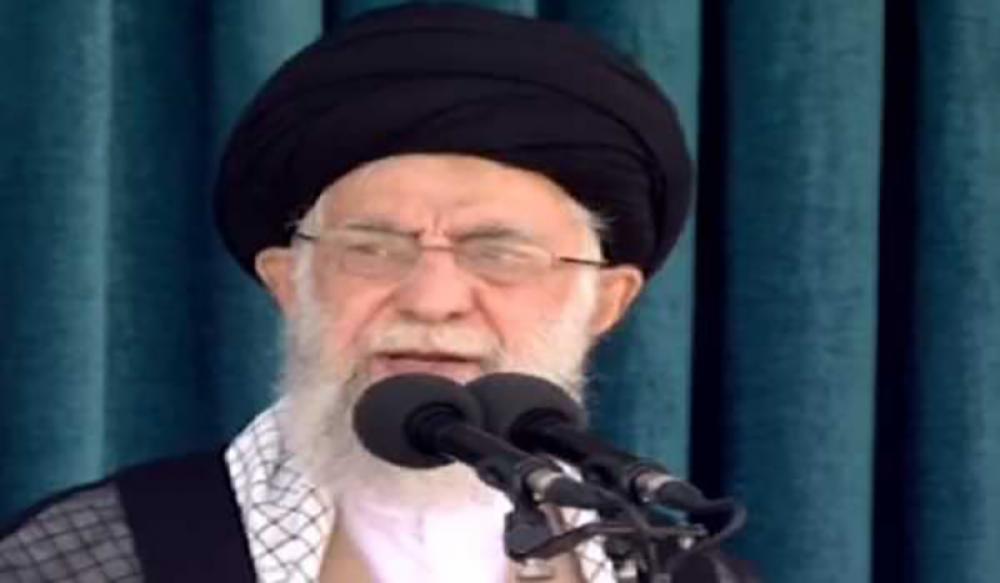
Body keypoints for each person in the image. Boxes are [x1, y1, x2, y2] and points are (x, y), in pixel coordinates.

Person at [0, 5, 751, 582]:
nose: (431, 299)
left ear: (606, 302)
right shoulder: (86, 559)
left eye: (498, 253)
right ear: (289, 282)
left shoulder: (682, 570)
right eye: (372, 248)